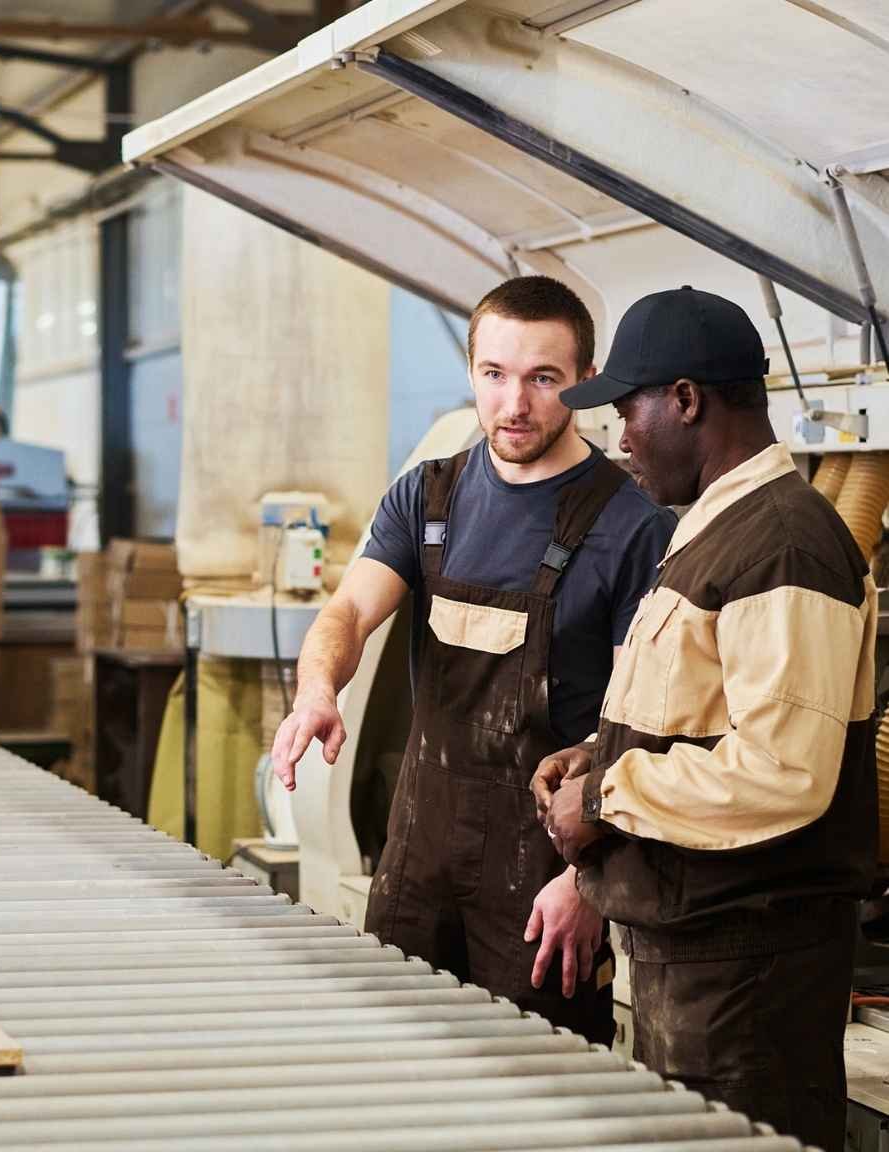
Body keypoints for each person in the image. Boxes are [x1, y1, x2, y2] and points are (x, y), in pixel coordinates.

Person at [272, 276, 674, 1040]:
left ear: (585, 380)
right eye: (494, 374)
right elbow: (348, 612)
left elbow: (644, 723)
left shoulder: (631, 526)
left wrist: (588, 881)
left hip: (547, 872)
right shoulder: (426, 498)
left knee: (539, 1080)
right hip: (417, 855)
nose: (513, 403)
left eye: (542, 378)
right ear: (470, 372)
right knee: (400, 1058)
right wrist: (317, 690)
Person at [535, 286, 877, 1147]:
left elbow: (781, 772)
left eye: (626, 410)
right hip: (695, 960)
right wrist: (595, 753)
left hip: (746, 976)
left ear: (685, 399)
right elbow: (702, 709)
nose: (620, 438)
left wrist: (604, 798)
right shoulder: (715, 530)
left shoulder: (781, 544)